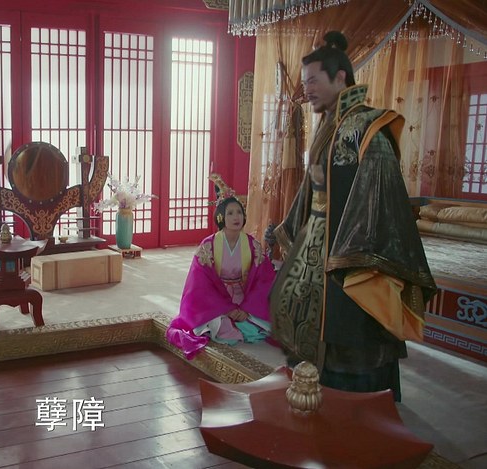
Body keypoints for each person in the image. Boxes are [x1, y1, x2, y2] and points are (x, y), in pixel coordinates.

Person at [270, 31, 436, 401]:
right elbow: (313, 187)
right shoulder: (328, 125)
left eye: (314, 80)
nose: (307, 89)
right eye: (305, 82)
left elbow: (381, 195)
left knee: (350, 331)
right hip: (318, 244)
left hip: (353, 249)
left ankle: (360, 406)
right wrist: (289, 228)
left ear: (340, 77)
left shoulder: (368, 128)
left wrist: (350, 249)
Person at [166, 175, 276, 359]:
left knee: (256, 321)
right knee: (217, 323)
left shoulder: (252, 245)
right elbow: (200, 284)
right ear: (221, 217)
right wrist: (225, 308)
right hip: (216, 298)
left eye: (239, 212)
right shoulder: (208, 246)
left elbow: (263, 280)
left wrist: (246, 308)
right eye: (230, 213)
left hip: (244, 298)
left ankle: (243, 318)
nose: (236, 217)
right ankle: (227, 320)